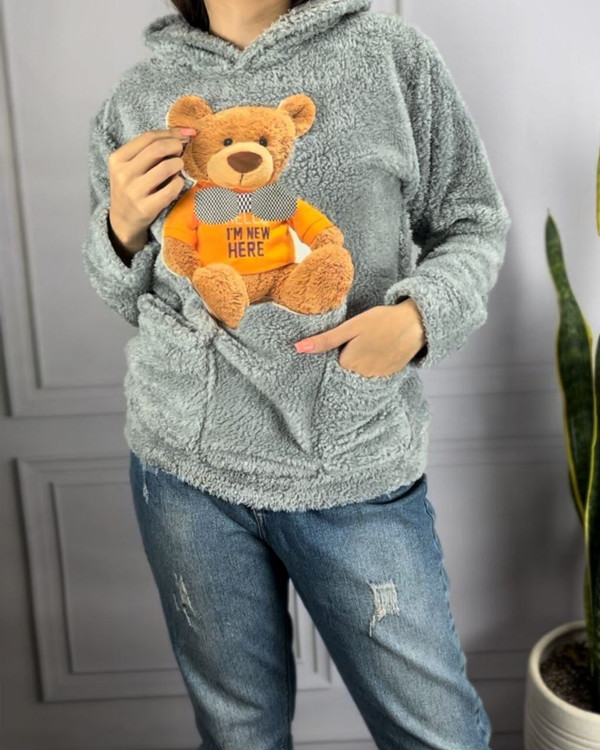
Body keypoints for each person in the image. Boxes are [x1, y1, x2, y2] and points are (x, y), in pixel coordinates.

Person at [82, 0, 511, 747]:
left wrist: (417, 319)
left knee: (438, 735)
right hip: (185, 466)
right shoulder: (139, 97)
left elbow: (474, 220)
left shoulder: (390, 56)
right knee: (238, 733)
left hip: (349, 453)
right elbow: (128, 293)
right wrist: (118, 230)